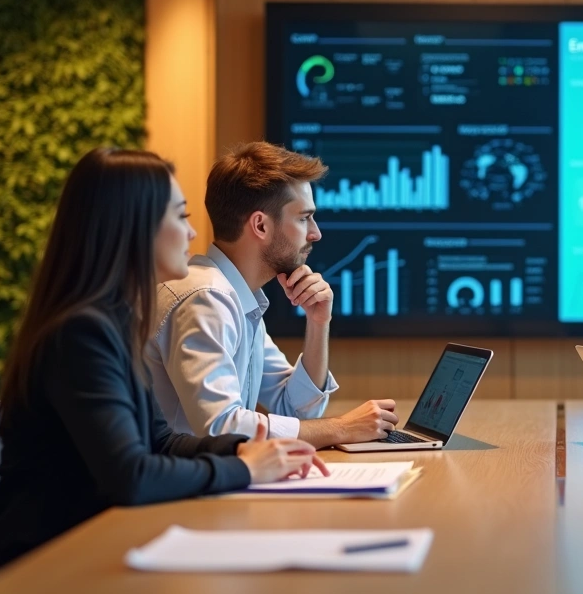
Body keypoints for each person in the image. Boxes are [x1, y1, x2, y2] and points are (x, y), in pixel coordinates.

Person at [0, 148, 325, 568]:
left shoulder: (113, 322)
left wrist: (245, 452)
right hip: (47, 568)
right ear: (136, 229)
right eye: (180, 217)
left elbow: (161, 441)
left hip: (91, 547)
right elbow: (132, 475)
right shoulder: (81, 334)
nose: (194, 234)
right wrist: (245, 470)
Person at [144, 142, 398, 448]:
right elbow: (222, 428)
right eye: (304, 218)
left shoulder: (237, 297)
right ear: (260, 225)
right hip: (182, 491)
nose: (315, 233)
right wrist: (342, 428)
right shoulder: (206, 298)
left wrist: (318, 323)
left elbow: (295, 408)